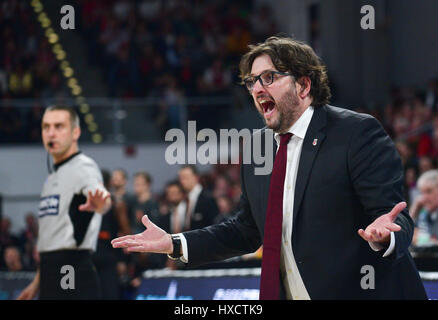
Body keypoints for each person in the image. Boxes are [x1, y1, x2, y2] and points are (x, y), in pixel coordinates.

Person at [112, 36, 427, 299]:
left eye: (269, 77)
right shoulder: (257, 147)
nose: (257, 89)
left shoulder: (356, 132)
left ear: (303, 85)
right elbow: (246, 230)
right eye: (251, 82)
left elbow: (392, 214)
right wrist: (174, 243)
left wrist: (384, 235)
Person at [18, 106, 111, 300]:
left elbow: (102, 199)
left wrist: (100, 205)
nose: (51, 133)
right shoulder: (53, 175)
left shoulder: (83, 167)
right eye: (46, 127)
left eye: (59, 126)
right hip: (50, 268)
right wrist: (37, 284)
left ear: (75, 132)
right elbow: (52, 240)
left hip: (71, 267)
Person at [177, 165, 218, 231]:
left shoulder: (207, 198)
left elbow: (214, 224)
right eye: (180, 178)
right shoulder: (183, 201)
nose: (182, 181)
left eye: (185, 177)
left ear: (196, 177)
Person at [409, 170, 438, 247]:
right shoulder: (425, 214)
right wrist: (415, 208)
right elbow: (406, 235)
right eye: (422, 193)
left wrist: (425, 239)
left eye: (429, 191)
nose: (424, 197)